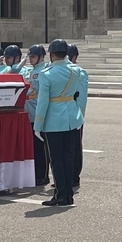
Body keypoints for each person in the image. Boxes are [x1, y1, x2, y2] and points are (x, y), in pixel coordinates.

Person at [34, 40, 83, 206]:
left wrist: (38, 126)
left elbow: (42, 103)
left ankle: (61, 194)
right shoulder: (75, 71)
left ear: (52, 54)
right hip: (72, 118)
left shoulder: (47, 74)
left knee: (57, 159)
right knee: (69, 157)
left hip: (54, 120)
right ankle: (69, 193)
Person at [21, 44, 50, 185]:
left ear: (41, 57)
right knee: (33, 146)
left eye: (33, 56)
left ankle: (42, 175)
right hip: (29, 111)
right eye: (29, 56)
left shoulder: (45, 70)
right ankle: (34, 173)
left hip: (39, 111)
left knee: (41, 148)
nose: (30, 59)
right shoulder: (30, 71)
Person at [66, 44, 89, 193]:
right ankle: (65, 177)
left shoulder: (80, 73)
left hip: (75, 115)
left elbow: (81, 97)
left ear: (74, 58)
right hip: (63, 115)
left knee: (74, 148)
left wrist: (79, 115)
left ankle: (74, 177)